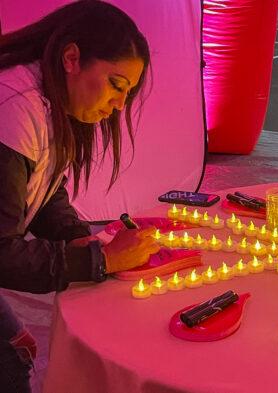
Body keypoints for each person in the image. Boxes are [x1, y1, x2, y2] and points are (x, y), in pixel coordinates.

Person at [0, 2, 160, 391]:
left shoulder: (45, 99)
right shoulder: (13, 108)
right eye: (117, 84)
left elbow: (43, 190)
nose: (120, 105)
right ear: (72, 58)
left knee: (15, 355)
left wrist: (75, 235)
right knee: (11, 364)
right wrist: (98, 258)